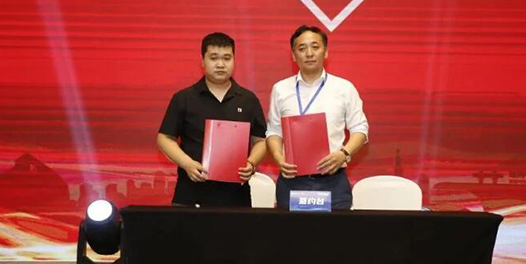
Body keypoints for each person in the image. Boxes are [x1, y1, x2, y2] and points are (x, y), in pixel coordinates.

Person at [157, 32, 267, 207]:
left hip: (236, 196)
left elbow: (261, 141)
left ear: (234, 60)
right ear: (202, 61)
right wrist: (187, 164)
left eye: (227, 58)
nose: (221, 64)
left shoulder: (248, 99)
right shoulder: (184, 98)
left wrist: (251, 163)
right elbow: (164, 138)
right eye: (214, 58)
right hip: (191, 193)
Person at [266, 25, 369, 209]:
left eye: (315, 47)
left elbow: (360, 129)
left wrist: (344, 154)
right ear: (293, 55)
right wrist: (278, 158)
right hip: (291, 180)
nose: (309, 53)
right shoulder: (280, 89)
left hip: (333, 181)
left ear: (326, 52)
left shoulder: (344, 88)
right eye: (302, 48)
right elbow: (274, 131)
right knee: (289, 229)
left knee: (334, 228)